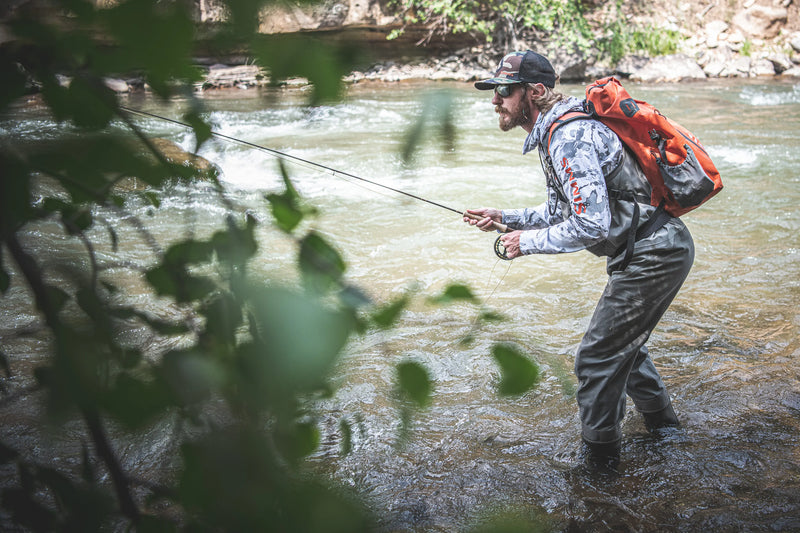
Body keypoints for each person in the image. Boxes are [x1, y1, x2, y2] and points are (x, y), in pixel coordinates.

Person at [465, 50, 694, 462]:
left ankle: (600, 465)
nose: (494, 100)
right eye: (494, 91)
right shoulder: (556, 132)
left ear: (534, 92)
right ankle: (666, 435)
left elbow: (591, 225)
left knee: (596, 358)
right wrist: (506, 217)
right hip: (646, 249)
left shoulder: (568, 137)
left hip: (654, 252)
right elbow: (561, 213)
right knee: (626, 350)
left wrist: (525, 243)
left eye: (503, 91)